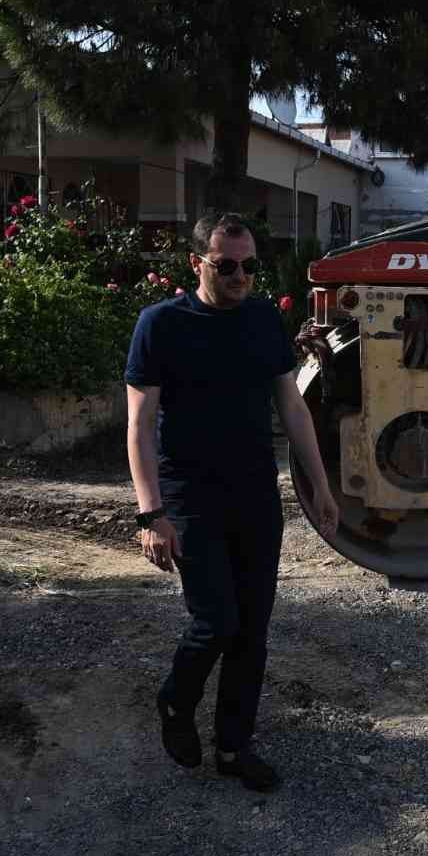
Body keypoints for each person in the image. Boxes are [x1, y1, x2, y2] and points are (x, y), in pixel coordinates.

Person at [126, 213, 339, 791]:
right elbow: (140, 426)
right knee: (216, 619)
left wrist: (319, 485)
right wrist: (151, 514)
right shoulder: (160, 325)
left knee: (253, 629)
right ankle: (175, 700)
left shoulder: (264, 320)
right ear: (197, 263)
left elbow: (291, 407)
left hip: (253, 494)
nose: (241, 275)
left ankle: (232, 745)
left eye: (249, 265)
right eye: (227, 265)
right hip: (190, 495)